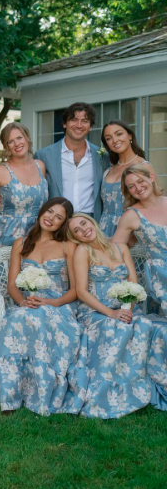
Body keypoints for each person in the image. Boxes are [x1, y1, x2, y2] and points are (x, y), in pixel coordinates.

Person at [0, 198, 81, 415]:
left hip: (58, 306)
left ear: (63, 223)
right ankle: (9, 395)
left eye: (59, 217)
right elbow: (12, 284)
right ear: (41, 212)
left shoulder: (68, 247)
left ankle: (40, 393)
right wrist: (23, 302)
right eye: (49, 212)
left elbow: (75, 290)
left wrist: (51, 302)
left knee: (36, 316)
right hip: (27, 303)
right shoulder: (21, 243)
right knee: (16, 318)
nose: (51, 218)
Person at [67, 213, 152, 418]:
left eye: (84, 223)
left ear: (92, 222)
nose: (83, 230)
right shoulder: (82, 251)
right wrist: (112, 313)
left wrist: (127, 309)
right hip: (96, 311)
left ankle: (133, 384)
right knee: (116, 326)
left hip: (125, 308)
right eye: (76, 231)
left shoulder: (121, 248)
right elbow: (81, 292)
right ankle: (105, 390)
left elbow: (133, 283)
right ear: (75, 237)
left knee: (143, 324)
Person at [112, 164, 167, 411]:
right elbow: (116, 249)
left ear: (151, 177)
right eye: (131, 186)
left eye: (140, 182)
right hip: (160, 276)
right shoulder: (132, 215)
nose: (138, 188)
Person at [0, 122, 48, 259]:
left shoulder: (40, 166)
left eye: (19, 138)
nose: (16, 144)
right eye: (10, 141)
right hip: (6, 236)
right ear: (6, 146)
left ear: (27, 138)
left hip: (37, 234)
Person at [35, 102, 107, 221]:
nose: (79, 125)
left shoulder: (102, 156)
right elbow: (33, 189)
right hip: (57, 221)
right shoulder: (43, 155)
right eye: (74, 120)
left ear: (90, 127)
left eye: (85, 121)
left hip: (90, 222)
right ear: (64, 124)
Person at [98, 121, 153, 237]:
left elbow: (152, 203)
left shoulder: (143, 166)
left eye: (119, 134)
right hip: (104, 231)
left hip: (130, 232)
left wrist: (132, 236)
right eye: (108, 138)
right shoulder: (108, 171)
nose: (115, 140)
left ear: (130, 135)